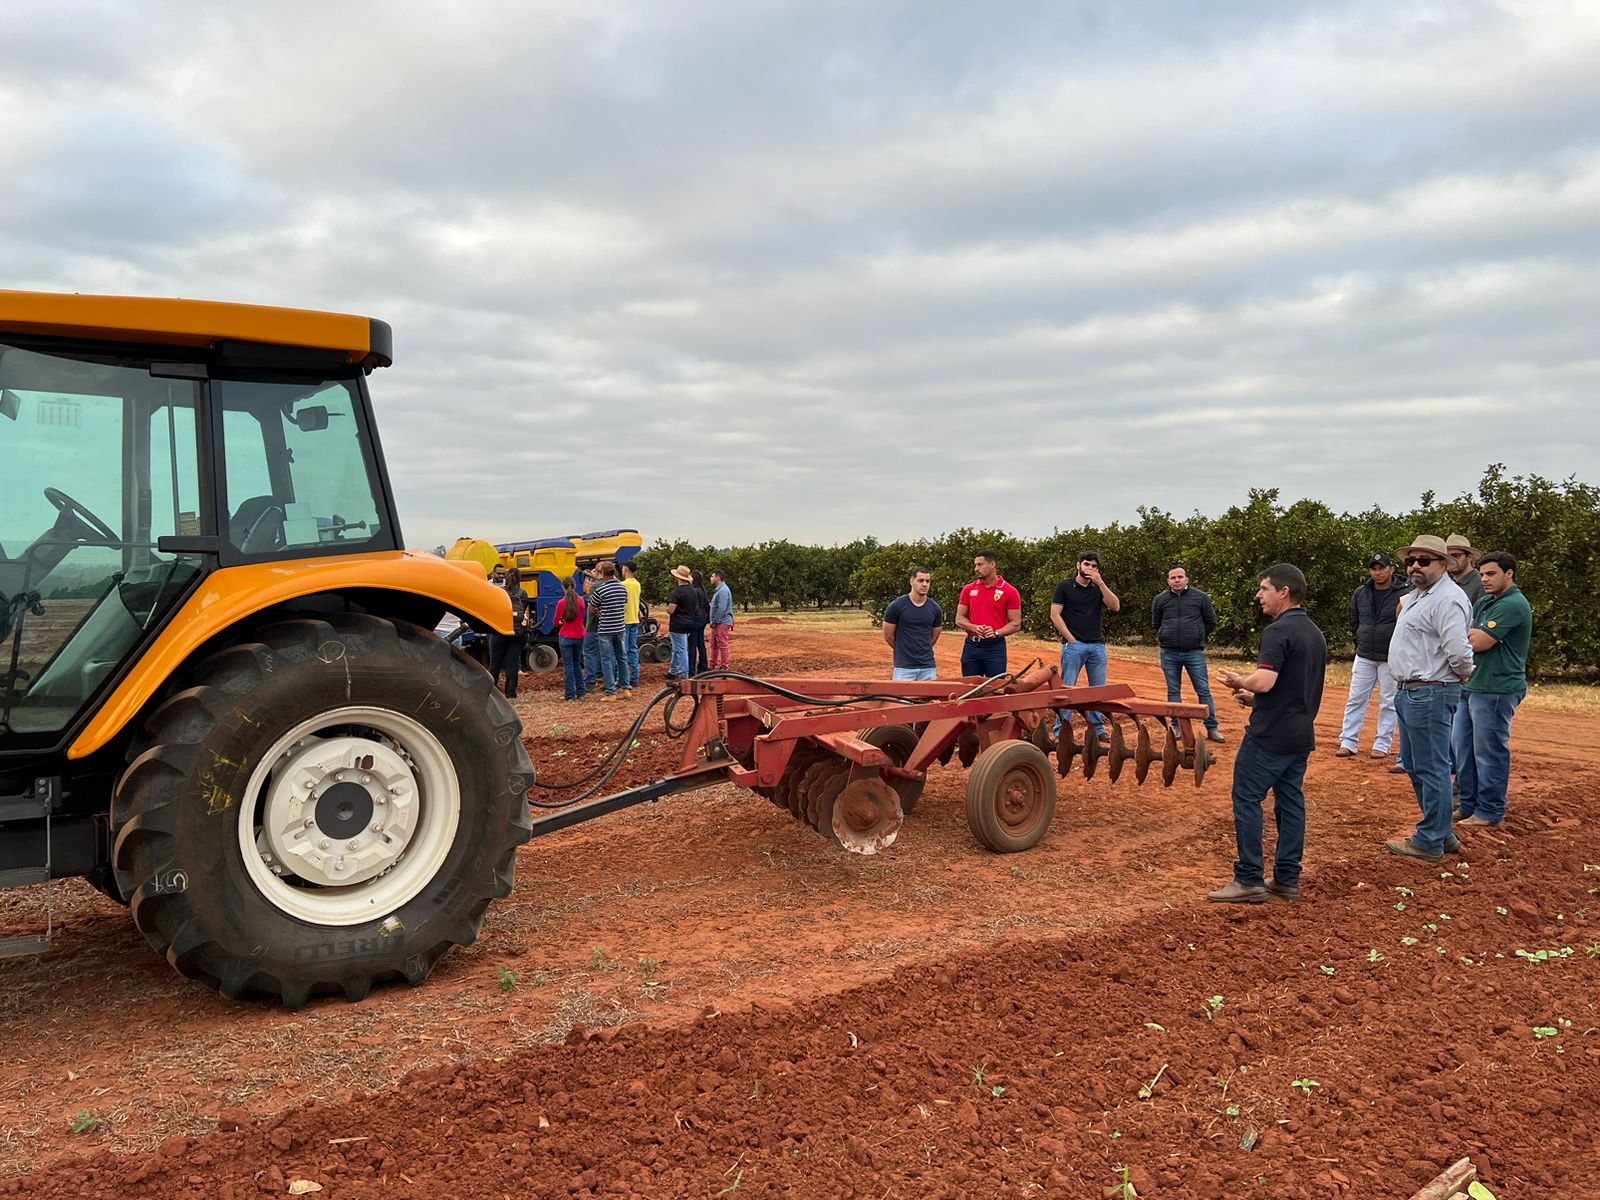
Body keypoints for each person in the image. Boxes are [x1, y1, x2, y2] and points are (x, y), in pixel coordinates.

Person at [1207, 564, 1326, 904]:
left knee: (1247, 798)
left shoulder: (1278, 631)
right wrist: (1255, 699)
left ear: (1283, 592)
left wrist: (1241, 682)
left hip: (1269, 736)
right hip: (1299, 735)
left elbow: (1265, 680)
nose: (1259, 595)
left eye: (1264, 589)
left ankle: (1249, 879)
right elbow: (1291, 686)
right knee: (1290, 803)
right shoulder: (1314, 633)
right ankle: (1287, 879)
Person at [1385, 535, 1474, 863]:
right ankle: (1441, 832)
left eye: (1423, 561)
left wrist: (1463, 673)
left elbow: (1459, 650)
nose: (1414, 566)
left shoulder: (1447, 599)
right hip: (1412, 692)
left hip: (1430, 692)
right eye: (1411, 561)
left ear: (1443, 564)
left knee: (1432, 767)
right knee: (1417, 766)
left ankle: (1430, 841)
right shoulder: (1419, 596)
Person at [1454, 551, 1532, 830]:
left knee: (1489, 752)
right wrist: (1470, 634)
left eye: (1491, 574)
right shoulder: (1487, 601)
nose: (1484, 579)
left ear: (1509, 574)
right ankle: (1468, 805)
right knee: (1463, 750)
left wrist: (1471, 635)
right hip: (1473, 685)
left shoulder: (1513, 604)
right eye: (1483, 574)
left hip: (1497, 689)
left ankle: (1490, 810)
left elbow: (1478, 642)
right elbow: (1466, 633)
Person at [1336, 552, 1411, 759]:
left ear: (1391, 569)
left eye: (1381, 568)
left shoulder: (1404, 594)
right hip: (1365, 655)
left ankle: (1382, 744)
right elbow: (1354, 619)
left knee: (1388, 702)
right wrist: (1362, 638)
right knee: (1355, 698)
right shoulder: (1361, 592)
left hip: (1390, 656)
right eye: (1374, 569)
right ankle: (1348, 741)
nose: (1377, 573)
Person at [1050, 551, 1120, 744]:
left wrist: (1101, 583)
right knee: (1067, 689)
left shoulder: (1098, 588)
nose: (1090, 568)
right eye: (1087, 564)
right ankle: (1061, 732)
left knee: (1097, 691)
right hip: (1074, 647)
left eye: (1094, 566)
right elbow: (1055, 614)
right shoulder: (1064, 586)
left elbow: (1115, 606)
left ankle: (1098, 729)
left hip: (1097, 646)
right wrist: (1071, 639)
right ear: (1078, 565)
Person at [1151, 565, 1223, 744]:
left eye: (1180, 577)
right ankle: (1176, 727)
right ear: (1168, 581)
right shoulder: (1160, 599)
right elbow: (1156, 623)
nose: (1177, 580)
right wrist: (1166, 634)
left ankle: (1212, 728)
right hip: (1169, 652)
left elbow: (1211, 622)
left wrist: (1197, 635)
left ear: (1187, 579)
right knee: (1173, 690)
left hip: (1194, 652)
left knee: (1203, 690)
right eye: (1173, 577)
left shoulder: (1201, 597)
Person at [955, 551, 1021, 678]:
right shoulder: (969, 589)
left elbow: (1015, 623)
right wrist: (974, 628)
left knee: (995, 685)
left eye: (980, 564)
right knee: (970, 686)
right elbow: (959, 618)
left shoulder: (1009, 591)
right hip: (972, 646)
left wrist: (996, 633)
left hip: (995, 648)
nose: (976, 569)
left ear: (992, 564)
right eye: (975, 565)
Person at [883, 567, 943, 681]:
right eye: (920, 580)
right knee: (901, 693)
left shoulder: (935, 609)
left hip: (928, 666)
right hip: (904, 668)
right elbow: (888, 636)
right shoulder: (897, 606)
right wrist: (902, 650)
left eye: (927, 581)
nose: (925, 584)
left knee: (929, 693)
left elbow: (934, 637)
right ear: (911, 581)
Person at [587, 561, 630, 701]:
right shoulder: (623, 588)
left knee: (606, 660)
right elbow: (623, 604)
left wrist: (600, 612)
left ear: (603, 573)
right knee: (622, 658)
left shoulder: (601, 590)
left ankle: (611, 692)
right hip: (620, 627)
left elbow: (591, 608)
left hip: (605, 628)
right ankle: (626, 688)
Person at [486, 566, 529, 699]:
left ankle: (491, 691)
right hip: (517, 633)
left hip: (499, 631)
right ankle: (510, 692)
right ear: (519, 579)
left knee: (495, 663)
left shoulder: (500, 592)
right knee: (512, 662)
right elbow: (523, 609)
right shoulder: (523, 594)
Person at [556, 575, 587, 701]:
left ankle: (570, 694)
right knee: (577, 664)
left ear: (563, 587)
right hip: (579, 635)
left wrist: (561, 621)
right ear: (574, 586)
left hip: (566, 636)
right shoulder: (581, 601)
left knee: (568, 666)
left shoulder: (561, 603)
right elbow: (582, 617)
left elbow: (556, 622)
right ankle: (581, 692)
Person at [665, 565, 698, 681]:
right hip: (689, 623)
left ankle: (684, 674)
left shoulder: (677, 592)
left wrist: (668, 610)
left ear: (678, 578)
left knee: (681, 650)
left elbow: (671, 610)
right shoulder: (693, 592)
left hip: (677, 625)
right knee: (677, 648)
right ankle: (673, 670)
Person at [620, 561, 643, 690]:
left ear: (626, 569)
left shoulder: (623, 585)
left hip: (625, 620)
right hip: (635, 619)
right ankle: (635, 677)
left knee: (623, 651)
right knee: (633, 649)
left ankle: (623, 678)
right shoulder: (637, 584)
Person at [1446, 534, 1484, 605]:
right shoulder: (1446, 583)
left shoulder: (1482, 584)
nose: (1451, 560)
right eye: (1448, 557)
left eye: (1455, 556)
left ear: (1469, 557)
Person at [708, 569, 734, 670]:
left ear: (718, 578)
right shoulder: (720, 590)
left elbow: (722, 609)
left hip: (722, 622)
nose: (710, 578)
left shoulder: (723, 591)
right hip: (718, 622)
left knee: (722, 645)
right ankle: (712, 665)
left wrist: (715, 621)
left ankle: (724, 667)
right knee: (714, 644)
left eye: (712, 576)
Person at [689, 570, 711, 676]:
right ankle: (703, 666)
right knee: (700, 643)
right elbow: (707, 606)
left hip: (695, 620)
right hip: (702, 619)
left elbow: (694, 607)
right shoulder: (703, 590)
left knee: (692, 645)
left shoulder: (694, 591)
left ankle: (691, 669)